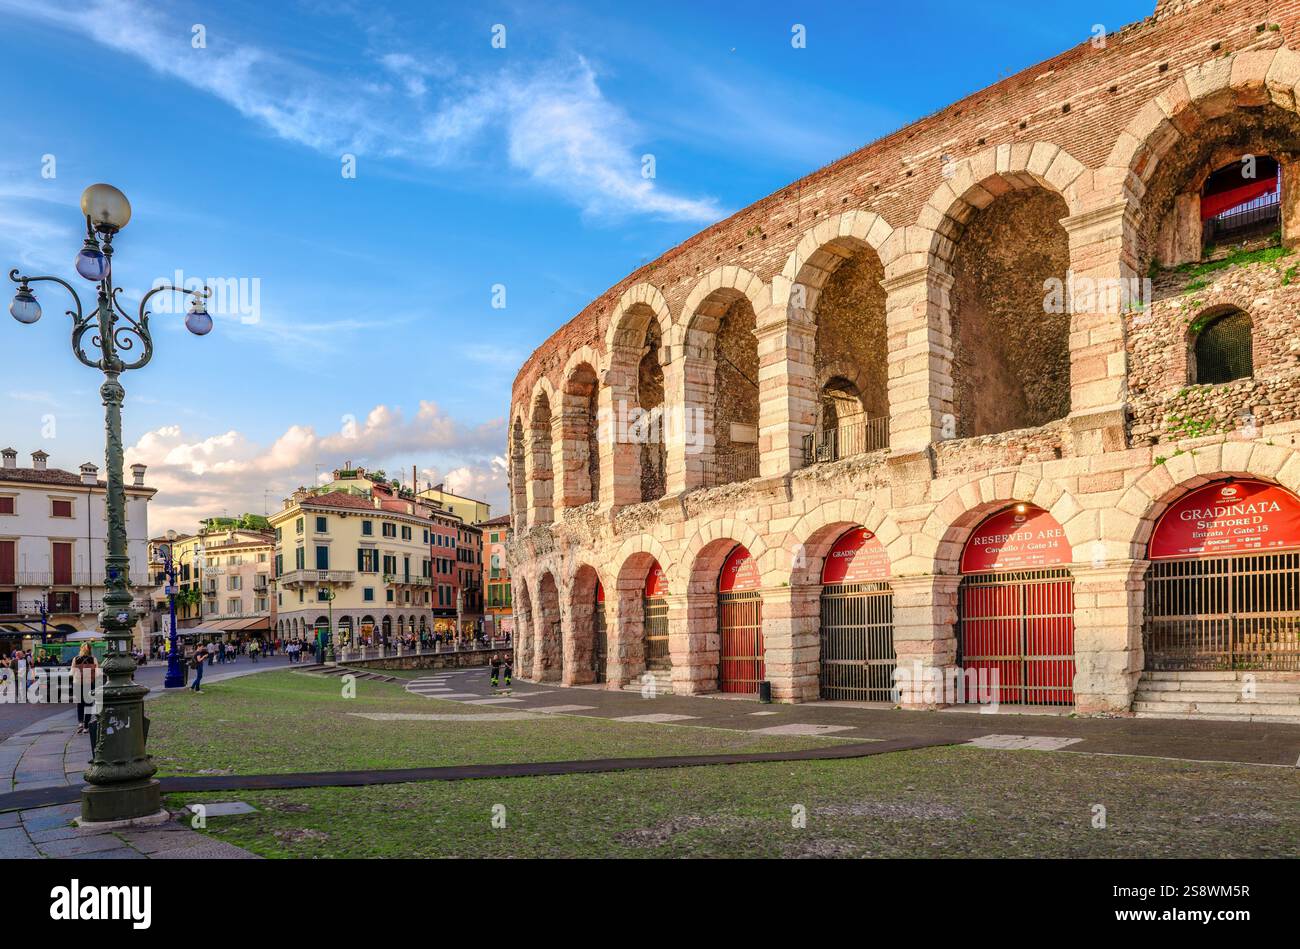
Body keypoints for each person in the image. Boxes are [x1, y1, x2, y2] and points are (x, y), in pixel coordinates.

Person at [71, 643, 98, 735]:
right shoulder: (93, 659)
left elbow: (72, 672)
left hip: (78, 684)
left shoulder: (76, 659)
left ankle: (80, 724)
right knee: (89, 705)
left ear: (81, 649)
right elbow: (97, 673)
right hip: (89, 684)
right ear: (90, 649)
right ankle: (86, 726)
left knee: (80, 704)